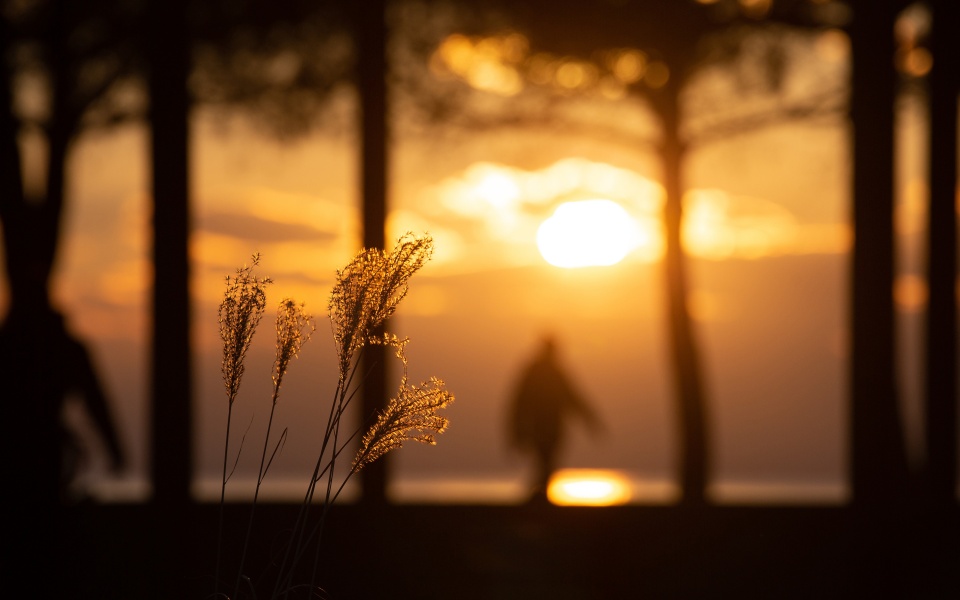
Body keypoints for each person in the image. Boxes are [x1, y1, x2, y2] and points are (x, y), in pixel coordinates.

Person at [507, 334, 602, 502]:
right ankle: (538, 498)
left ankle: (539, 497)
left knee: (547, 463)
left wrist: (591, 420)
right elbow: (520, 402)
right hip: (541, 426)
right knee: (545, 462)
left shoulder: (553, 371)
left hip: (552, 426)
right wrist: (516, 429)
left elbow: (573, 397)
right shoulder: (537, 371)